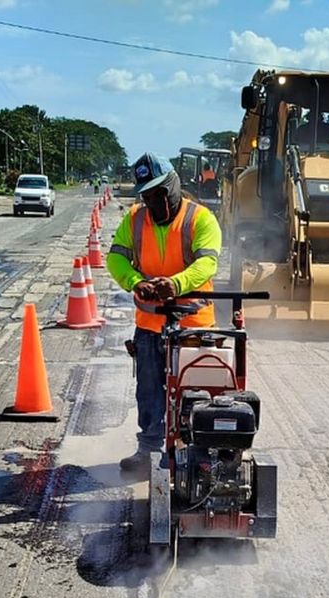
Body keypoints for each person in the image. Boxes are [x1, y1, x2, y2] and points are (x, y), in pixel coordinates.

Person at [107, 153, 223, 474]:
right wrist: (137, 282)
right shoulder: (134, 220)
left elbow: (207, 263)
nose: (154, 201)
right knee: (148, 388)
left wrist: (176, 283)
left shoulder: (200, 219)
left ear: (173, 185)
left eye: (159, 192)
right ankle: (148, 450)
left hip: (193, 326)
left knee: (195, 390)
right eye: (147, 195)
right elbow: (115, 258)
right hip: (149, 325)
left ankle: (190, 451)